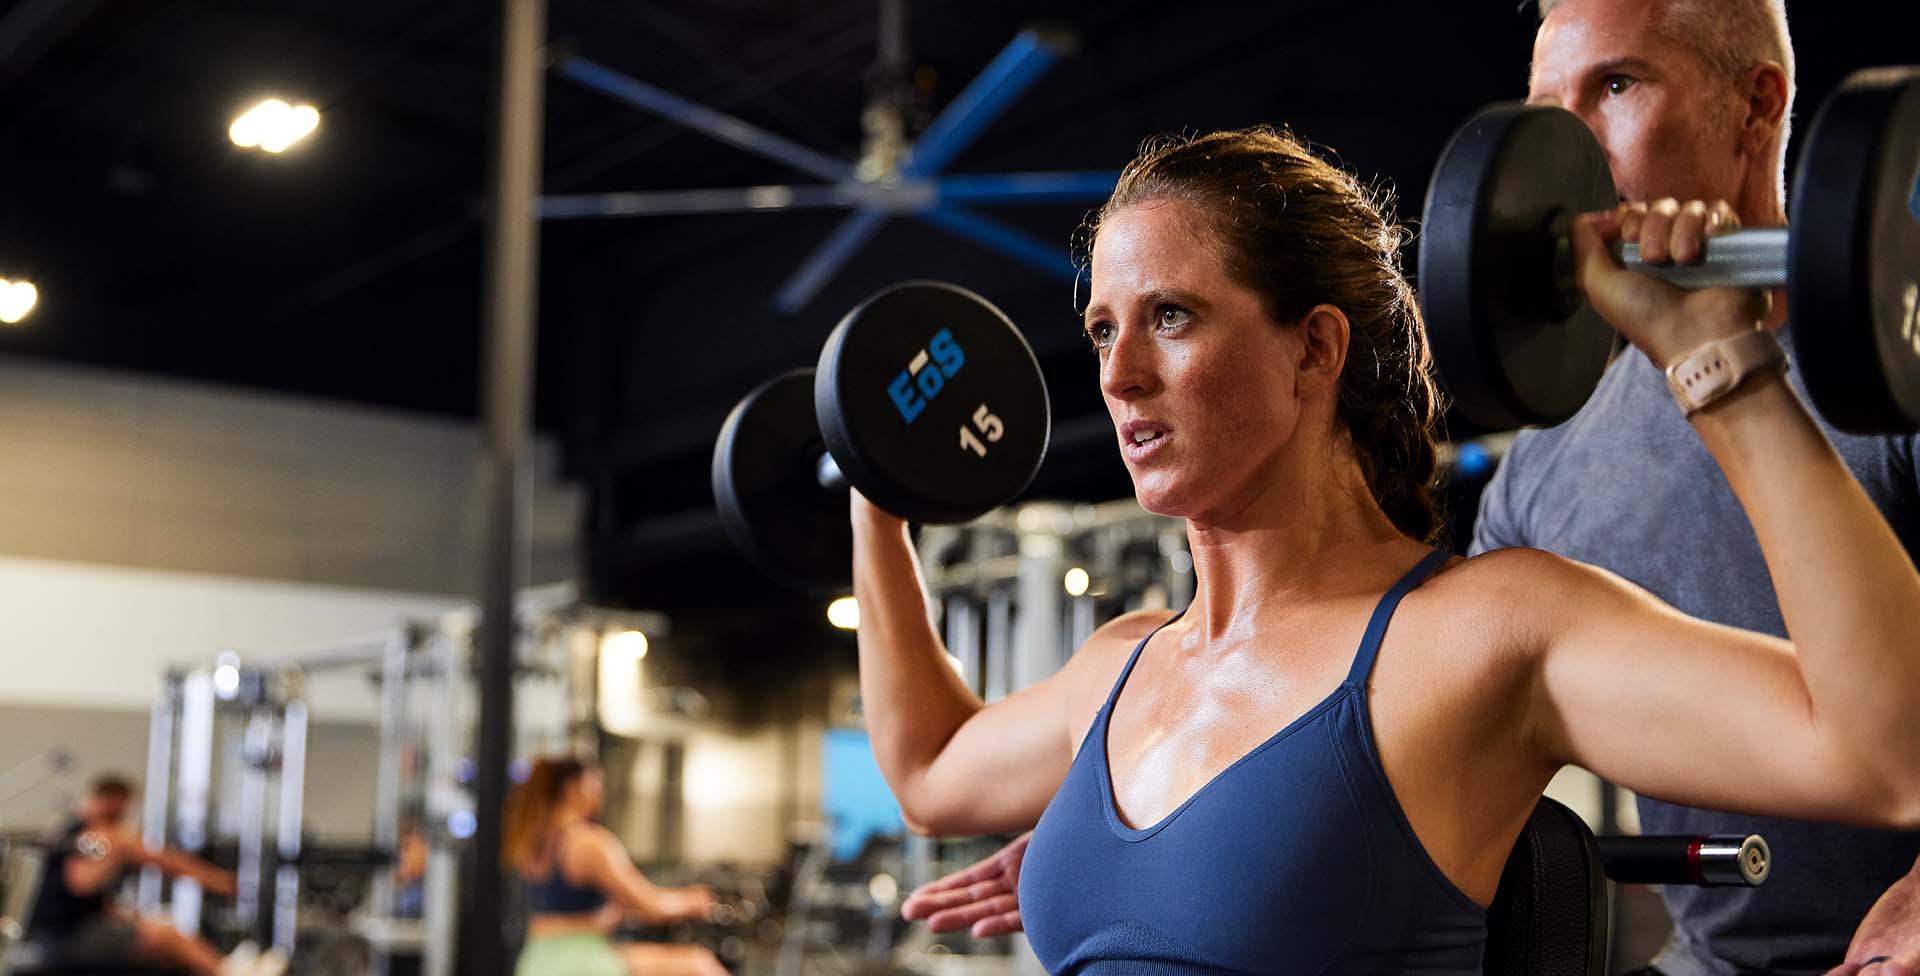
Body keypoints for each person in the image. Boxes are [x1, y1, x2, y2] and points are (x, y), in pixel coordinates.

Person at [902, 4, 1920, 973]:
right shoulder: (1548, 466)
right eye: (1101, 330)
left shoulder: (1501, 619)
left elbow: (1883, 751)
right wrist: (1148, 848)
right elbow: (934, 770)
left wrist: (1721, 361)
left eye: (1616, 85)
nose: (1118, 374)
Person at [24, 772, 268, 976]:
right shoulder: (85, 835)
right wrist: (216, 881)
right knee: (167, 935)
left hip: (75, 930)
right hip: (63, 938)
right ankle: (226, 972)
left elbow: (90, 898)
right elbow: (81, 883)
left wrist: (124, 914)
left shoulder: (91, 833)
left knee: (163, 945)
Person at [503, 756, 727, 976]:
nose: (601, 790)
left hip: (536, 962)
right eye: (595, 781)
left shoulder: (534, 842)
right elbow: (651, 905)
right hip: (579, 962)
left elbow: (562, 915)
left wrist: (608, 916)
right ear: (574, 788)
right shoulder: (588, 843)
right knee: (699, 964)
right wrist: (694, 901)